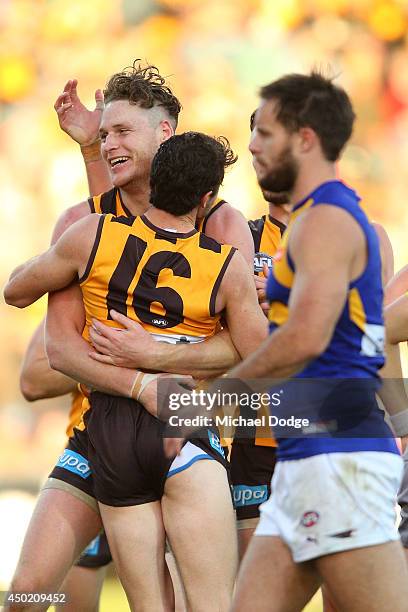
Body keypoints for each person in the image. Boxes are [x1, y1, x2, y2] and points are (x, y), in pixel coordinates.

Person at [4, 62, 250, 612]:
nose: (109, 142)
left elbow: (248, 354)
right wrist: (140, 377)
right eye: (104, 133)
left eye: (121, 131)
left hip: (183, 431)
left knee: (187, 602)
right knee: (26, 593)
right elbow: (41, 367)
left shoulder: (222, 225)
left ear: (165, 134)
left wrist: (151, 354)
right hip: (97, 434)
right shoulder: (82, 221)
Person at [165, 72, 408, 611]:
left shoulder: (327, 220)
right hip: (302, 460)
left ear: (305, 139)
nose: (251, 144)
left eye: (267, 132)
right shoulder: (309, 221)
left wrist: (211, 396)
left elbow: (305, 336)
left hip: (339, 458)